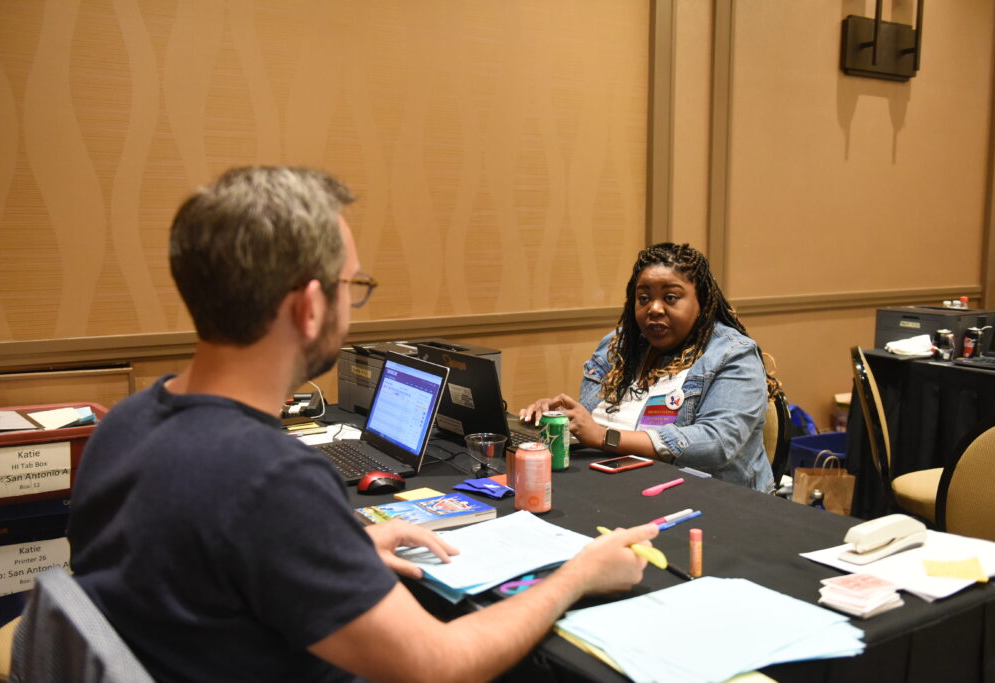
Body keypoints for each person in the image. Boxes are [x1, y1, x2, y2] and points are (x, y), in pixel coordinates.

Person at [67, 166, 658, 682]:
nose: (354, 306)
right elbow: (444, 665)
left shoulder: (124, 424)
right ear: (309, 306)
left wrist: (333, 548)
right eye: (352, 286)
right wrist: (578, 574)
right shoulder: (270, 479)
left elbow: (202, 573)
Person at [520, 242, 777, 492]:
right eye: (644, 298)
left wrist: (604, 437)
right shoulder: (617, 346)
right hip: (614, 485)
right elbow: (590, 422)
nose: (654, 308)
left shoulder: (733, 354)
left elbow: (716, 443)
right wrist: (559, 419)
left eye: (671, 298)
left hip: (709, 499)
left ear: (702, 302)